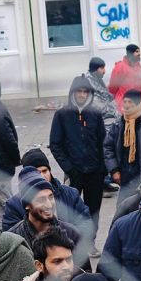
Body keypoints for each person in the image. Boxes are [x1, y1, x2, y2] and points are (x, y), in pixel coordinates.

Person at [49, 75, 109, 219]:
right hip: (74, 173)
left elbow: (104, 142)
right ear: (73, 92)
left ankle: (90, 240)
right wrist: (69, 168)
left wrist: (103, 168)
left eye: (85, 92)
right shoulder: (62, 115)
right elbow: (55, 144)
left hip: (95, 173)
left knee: (93, 213)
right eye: (79, 91)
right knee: (70, 213)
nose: (82, 95)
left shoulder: (95, 114)